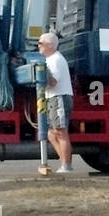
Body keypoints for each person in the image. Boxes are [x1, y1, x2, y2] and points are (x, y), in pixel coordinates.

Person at [37, 31, 74, 173]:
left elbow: (52, 82)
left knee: (60, 132)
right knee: (52, 134)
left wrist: (42, 73)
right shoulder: (50, 59)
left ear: (51, 45)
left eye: (41, 43)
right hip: (52, 98)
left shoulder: (56, 60)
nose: (38, 46)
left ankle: (67, 165)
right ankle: (64, 163)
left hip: (59, 97)